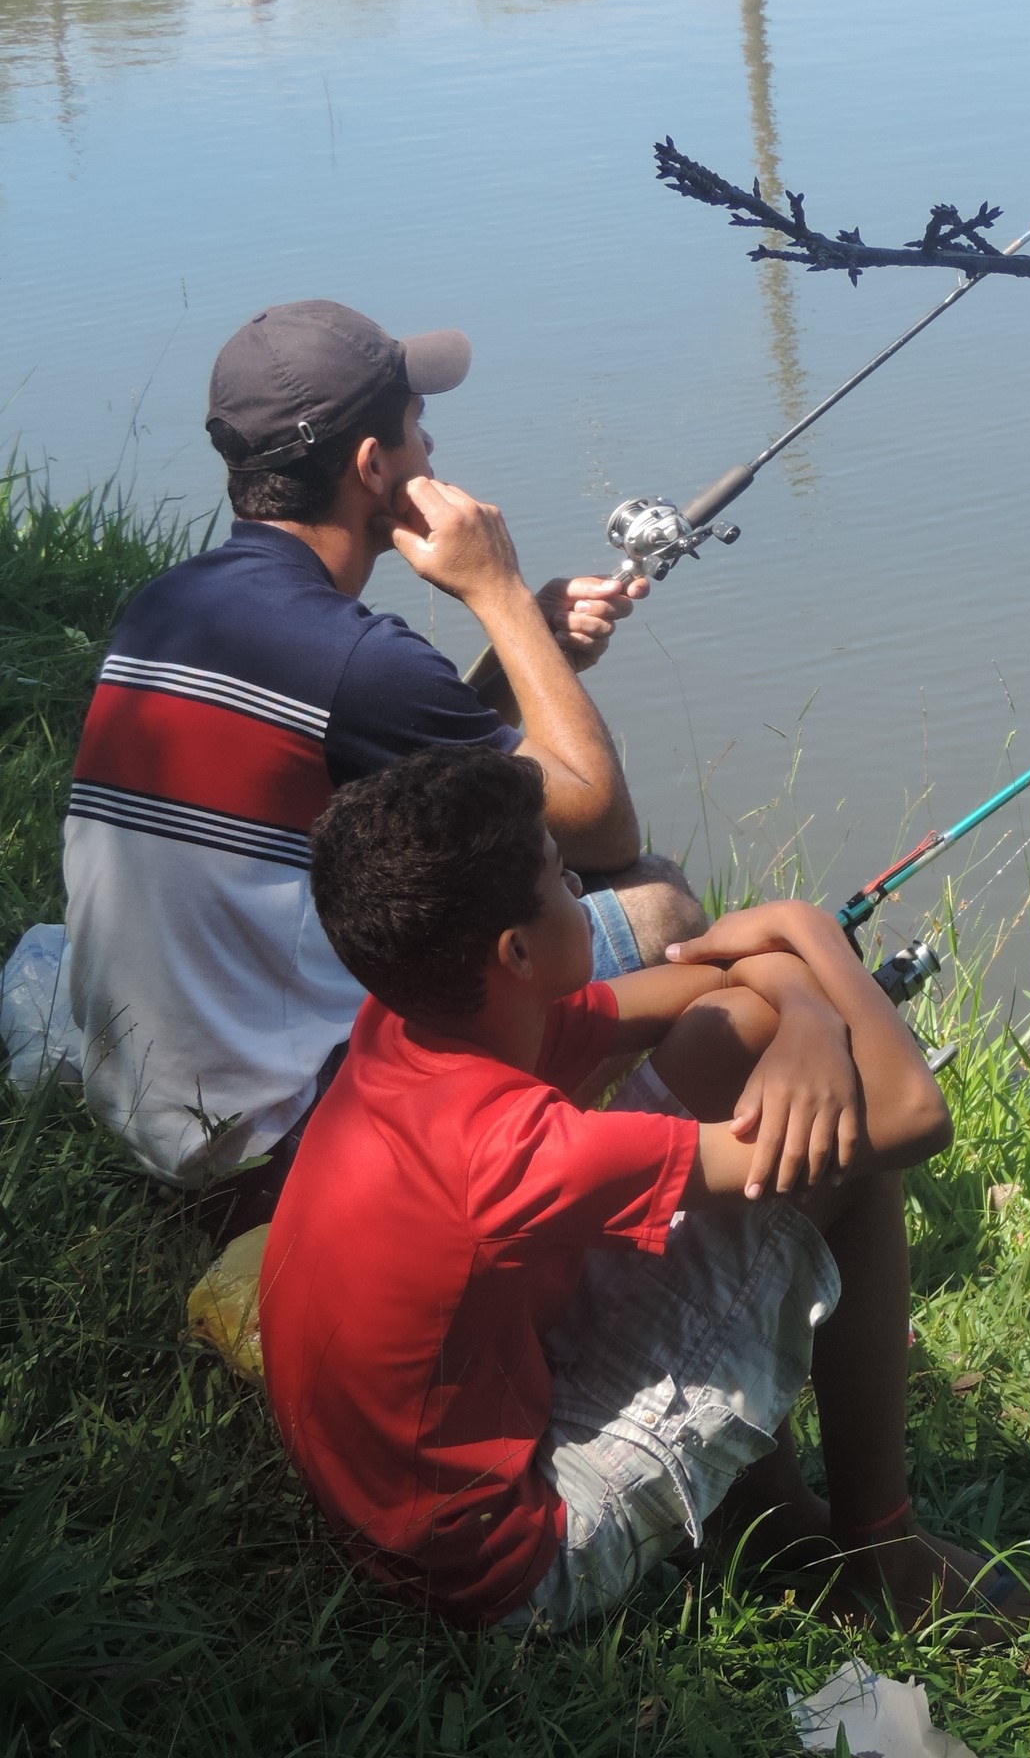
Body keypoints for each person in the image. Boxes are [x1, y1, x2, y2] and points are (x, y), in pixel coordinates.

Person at [260, 745, 1013, 1637]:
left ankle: (760, 1502)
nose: (579, 882)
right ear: (516, 949)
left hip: (425, 1472)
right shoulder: (506, 1152)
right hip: (509, 1564)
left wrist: (804, 1016)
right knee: (847, 1152)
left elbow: (718, 990)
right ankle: (881, 1555)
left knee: (734, 1030)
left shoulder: (418, 1014)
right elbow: (911, 1115)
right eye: (558, 876)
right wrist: (808, 931)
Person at [61, 298, 700, 1226]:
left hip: (143, 1115)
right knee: (657, 896)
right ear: (375, 467)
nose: (432, 450)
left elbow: (415, 781)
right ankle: (614, 1191)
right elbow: (602, 821)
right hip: (276, 1150)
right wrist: (503, 594)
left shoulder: (166, 606)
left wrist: (536, 659)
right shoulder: (354, 660)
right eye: (416, 427)